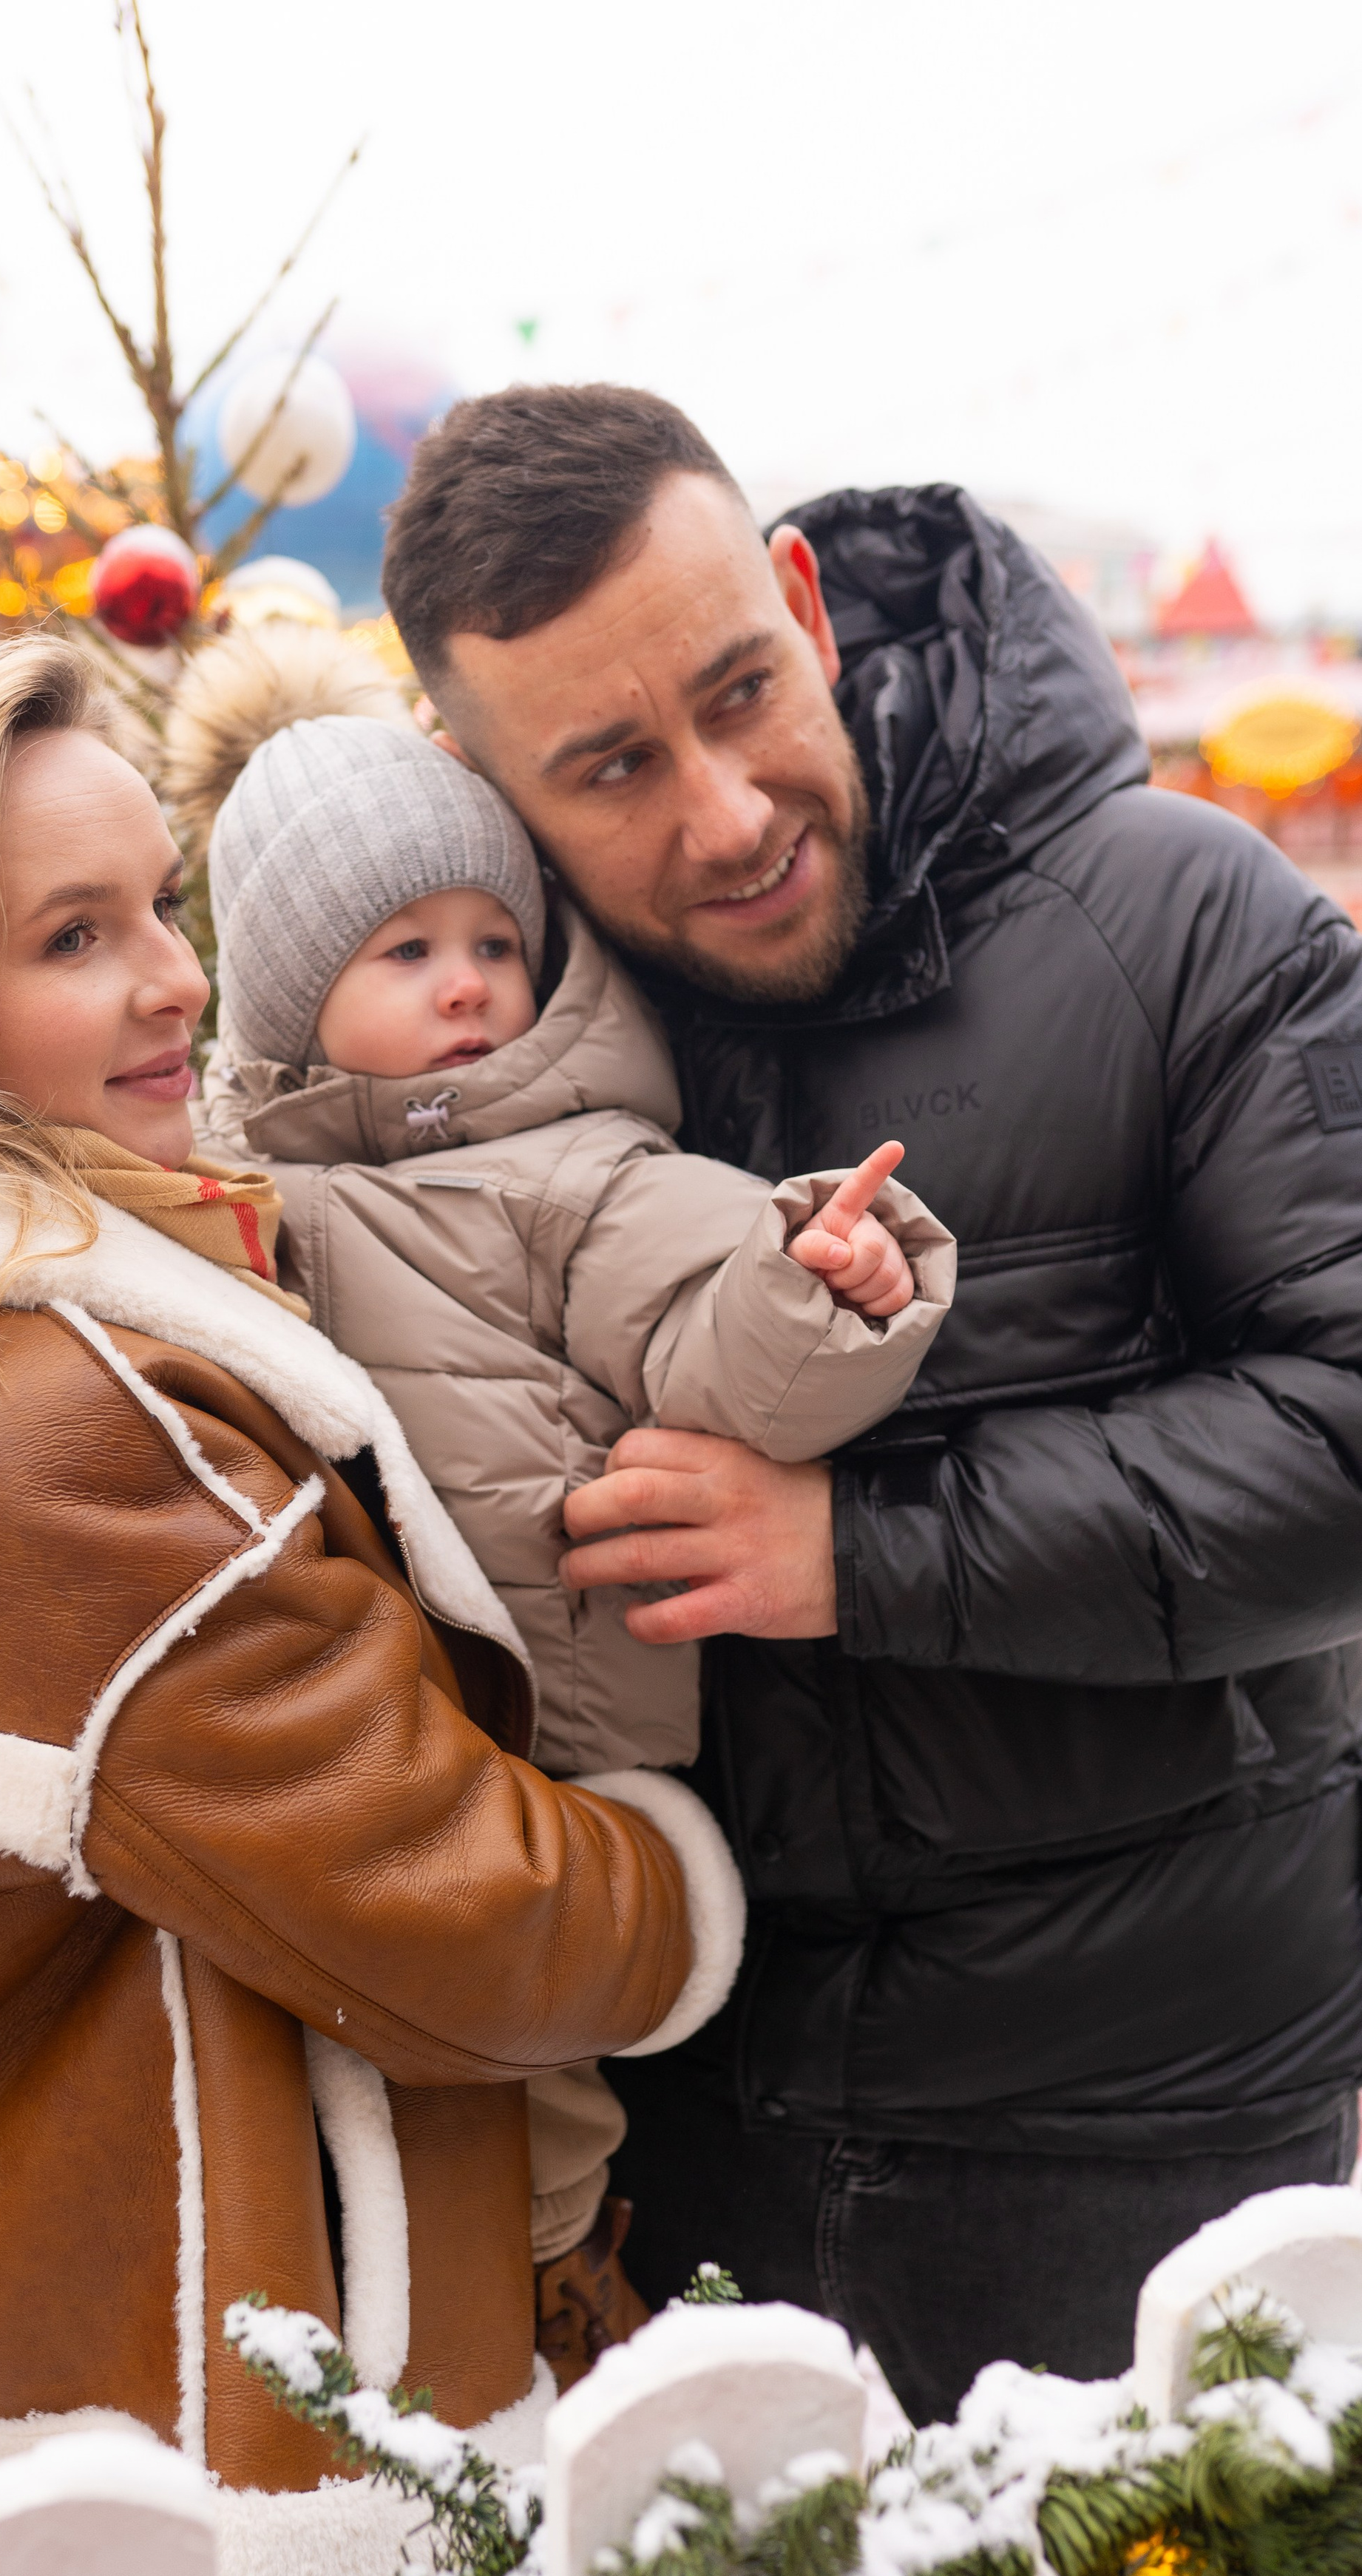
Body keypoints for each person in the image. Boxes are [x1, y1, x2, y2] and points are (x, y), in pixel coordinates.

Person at [0, 637, 742, 2576]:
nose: (179, 978)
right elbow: (469, 1912)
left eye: (160, 901)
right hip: (303, 2400)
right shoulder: (63, 1429)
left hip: (126, 2325)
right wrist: (688, 1862)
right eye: (75, 937)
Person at [380, 383, 1362, 2426]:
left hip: (1132, 2136)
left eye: (744, 691)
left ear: (809, 604)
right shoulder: (473, 1055)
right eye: (613, 767)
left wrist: (859, 1550)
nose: (727, 812)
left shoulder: (1188, 921)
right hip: (674, 2143)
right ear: (473, 777)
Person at [169, 631, 954, 2382]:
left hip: (550, 1729)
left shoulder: (569, 1166)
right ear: (289, 1002)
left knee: (528, 2076)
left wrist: (822, 1280)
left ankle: (544, 2300)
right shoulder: (239, 1187)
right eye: (406, 951)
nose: (466, 984)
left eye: (492, 944)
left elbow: (712, 1336)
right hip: (341, 1731)